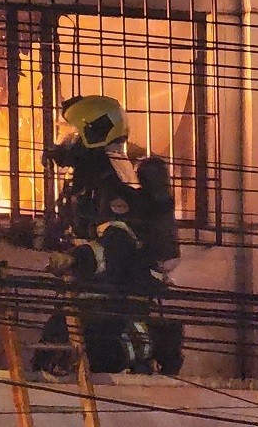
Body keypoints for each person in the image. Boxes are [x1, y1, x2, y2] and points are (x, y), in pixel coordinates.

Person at [35, 94, 183, 375]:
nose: (67, 141)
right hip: (90, 298)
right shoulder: (92, 179)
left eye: (73, 133)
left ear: (94, 131)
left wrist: (75, 260)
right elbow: (74, 230)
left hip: (113, 309)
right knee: (52, 354)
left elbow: (117, 245)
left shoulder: (115, 182)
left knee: (83, 366)